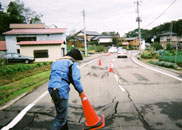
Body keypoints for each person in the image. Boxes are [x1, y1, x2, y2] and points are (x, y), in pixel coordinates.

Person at [48, 49, 84, 130]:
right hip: (61, 90)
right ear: (75, 57)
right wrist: (81, 91)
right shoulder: (72, 63)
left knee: (61, 114)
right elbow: (76, 79)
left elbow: (52, 76)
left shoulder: (56, 62)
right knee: (61, 118)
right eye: (78, 60)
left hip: (52, 88)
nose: (78, 62)